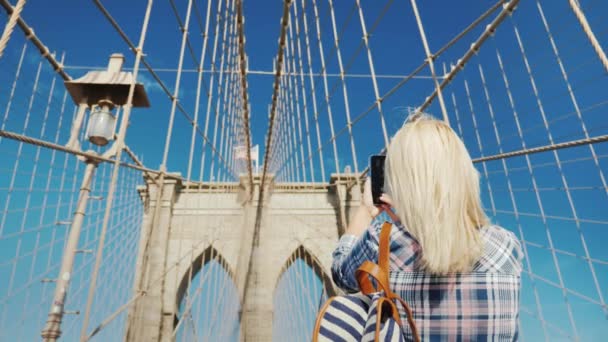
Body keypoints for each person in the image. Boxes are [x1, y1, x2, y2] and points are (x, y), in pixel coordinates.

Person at [331, 114, 523, 341]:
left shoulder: (381, 242)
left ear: (402, 182)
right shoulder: (507, 247)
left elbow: (341, 274)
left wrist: (366, 210)